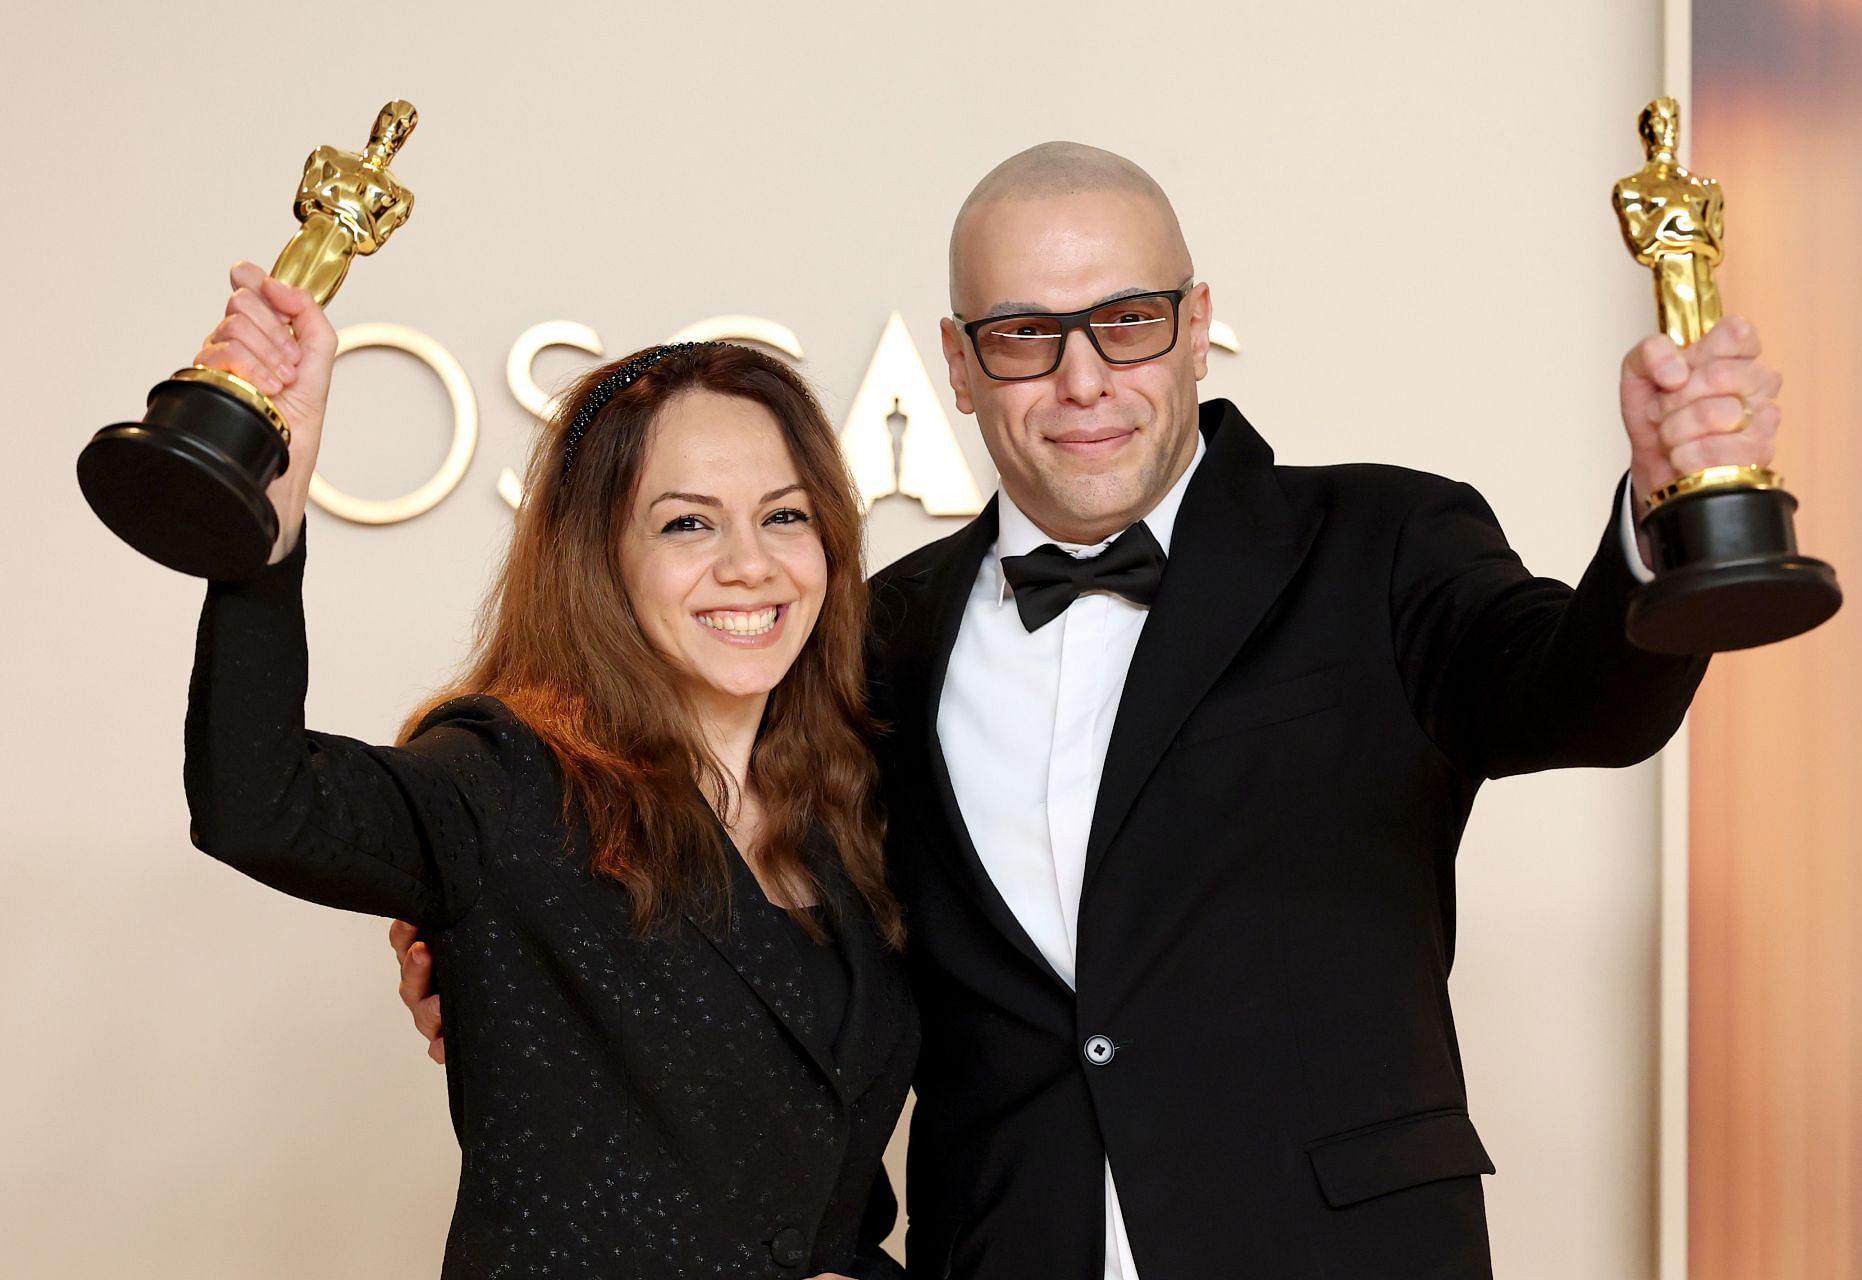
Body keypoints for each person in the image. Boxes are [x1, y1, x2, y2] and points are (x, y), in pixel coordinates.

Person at [401, 142, 1779, 1278]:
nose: (1082, 381)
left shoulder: (1384, 542)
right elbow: (738, 876)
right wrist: (494, 934)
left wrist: (1671, 517)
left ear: (1194, 324)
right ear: (956, 361)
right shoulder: (876, 631)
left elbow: (1587, 701)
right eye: (1023, 336)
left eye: (1125, 321)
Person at [185, 262, 917, 1279]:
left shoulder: (855, 801)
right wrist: (264, 520)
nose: (751, 562)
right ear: (600, 559)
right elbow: (259, 805)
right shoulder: (507, 781)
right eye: (687, 522)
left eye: (785, 515)